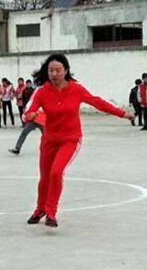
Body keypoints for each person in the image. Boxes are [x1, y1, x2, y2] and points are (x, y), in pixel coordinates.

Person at [24, 53, 134, 228]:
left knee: (56, 172)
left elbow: (98, 102)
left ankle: (51, 212)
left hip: (70, 139)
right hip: (49, 140)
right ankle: (40, 209)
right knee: (44, 177)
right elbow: (28, 111)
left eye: (58, 70)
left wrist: (122, 113)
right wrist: (30, 115)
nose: (54, 74)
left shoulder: (76, 89)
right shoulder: (42, 91)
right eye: (51, 70)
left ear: (66, 71)